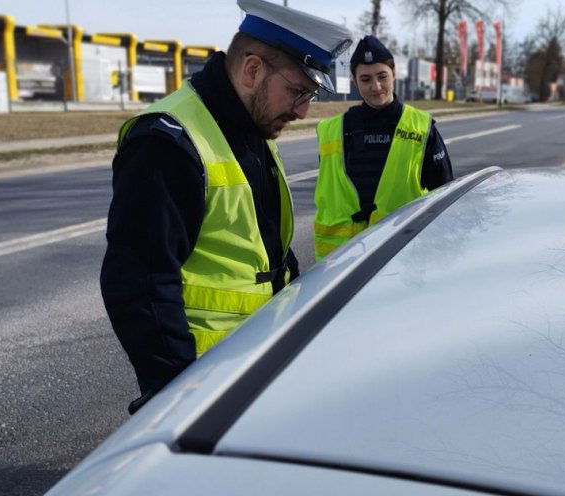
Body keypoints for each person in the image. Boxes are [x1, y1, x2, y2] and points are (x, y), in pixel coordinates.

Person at [100, 0, 352, 413]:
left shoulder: (249, 127)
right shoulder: (166, 142)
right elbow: (139, 284)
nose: (304, 111)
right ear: (252, 70)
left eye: (310, 95)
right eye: (297, 91)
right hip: (205, 383)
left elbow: (264, 249)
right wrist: (176, 396)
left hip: (251, 364)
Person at [313, 35, 453, 260]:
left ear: (394, 74)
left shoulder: (422, 127)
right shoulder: (335, 129)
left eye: (382, 77)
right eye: (366, 79)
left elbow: (446, 195)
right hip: (344, 261)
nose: (376, 86)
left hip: (402, 254)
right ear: (354, 80)